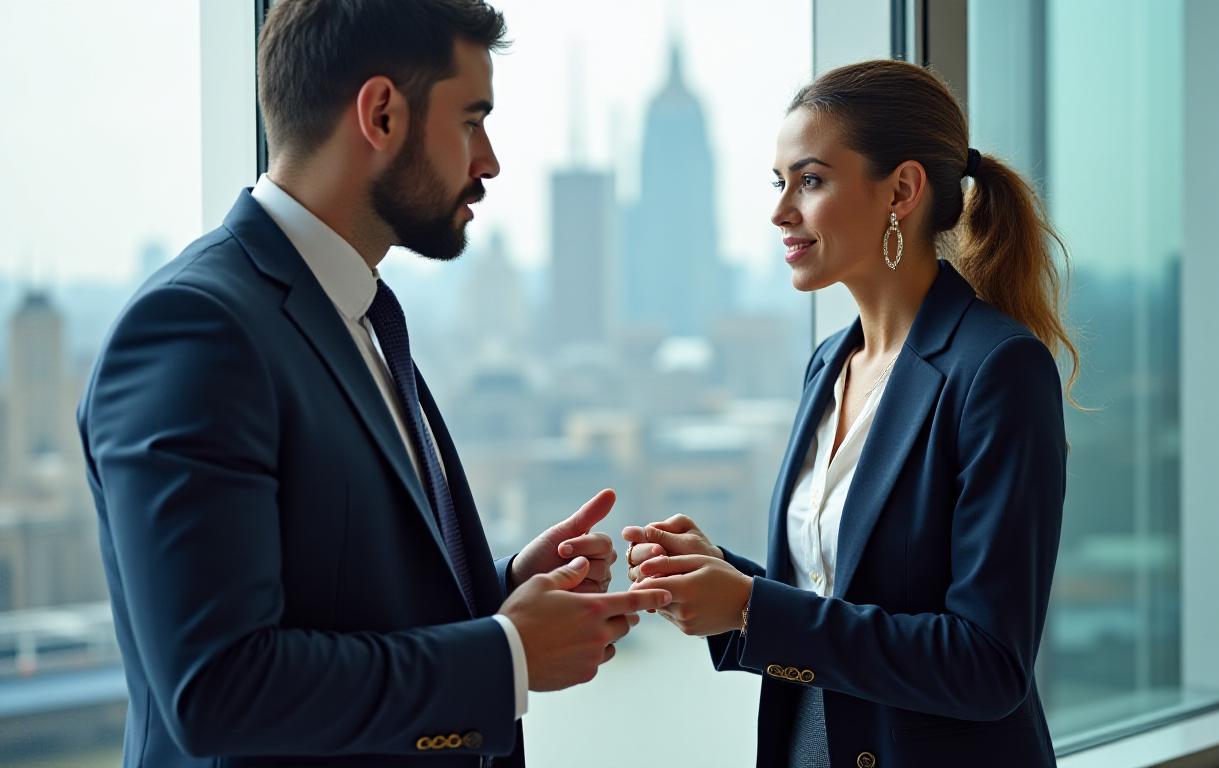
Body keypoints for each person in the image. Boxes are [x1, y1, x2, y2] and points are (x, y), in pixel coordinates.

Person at [76, 1, 670, 766]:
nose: (488, 160)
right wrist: (509, 653)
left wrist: (500, 591)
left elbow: (339, 600)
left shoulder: (357, 312)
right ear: (382, 114)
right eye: (471, 120)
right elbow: (217, 690)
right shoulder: (197, 331)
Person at [624, 59, 1076, 768]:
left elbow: (988, 666)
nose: (780, 211)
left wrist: (750, 605)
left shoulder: (997, 370)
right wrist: (721, 577)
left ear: (901, 188)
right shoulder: (829, 362)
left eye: (809, 181)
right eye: (779, 184)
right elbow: (838, 594)